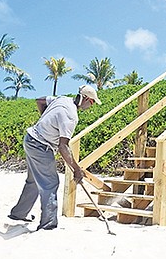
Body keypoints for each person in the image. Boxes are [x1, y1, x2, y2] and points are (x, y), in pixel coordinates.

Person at [9, 85, 101, 231]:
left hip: (30, 139)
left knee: (34, 181)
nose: (92, 105)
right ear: (87, 99)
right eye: (92, 102)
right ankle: (48, 224)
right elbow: (63, 146)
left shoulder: (62, 99)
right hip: (40, 146)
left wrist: (45, 122)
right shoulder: (71, 116)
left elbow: (40, 101)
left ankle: (18, 213)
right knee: (50, 183)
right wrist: (76, 170)